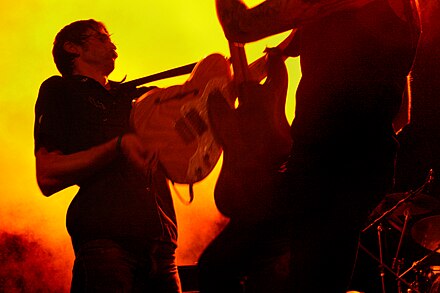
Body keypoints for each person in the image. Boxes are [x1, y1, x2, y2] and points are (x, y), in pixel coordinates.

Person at [213, 0, 420, 292]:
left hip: (326, 170)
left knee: (222, 266)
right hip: (359, 169)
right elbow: (402, 118)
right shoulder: (407, 10)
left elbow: (241, 25)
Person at [33, 19, 181, 292]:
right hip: (106, 239)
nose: (112, 44)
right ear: (72, 48)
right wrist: (117, 146)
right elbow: (47, 175)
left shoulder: (135, 97)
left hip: (162, 243)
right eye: (101, 38)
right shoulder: (60, 90)